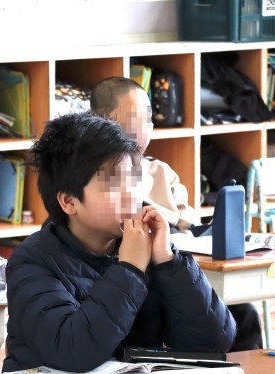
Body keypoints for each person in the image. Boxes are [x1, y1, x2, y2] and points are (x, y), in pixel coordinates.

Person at [0, 112, 236, 374]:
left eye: (133, 179)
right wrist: (130, 269)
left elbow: (214, 342)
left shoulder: (147, 246)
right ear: (69, 202)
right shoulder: (32, 261)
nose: (130, 194)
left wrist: (169, 261)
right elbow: (75, 351)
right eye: (112, 183)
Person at [91, 76, 264, 352]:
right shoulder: (92, 176)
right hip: (130, 278)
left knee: (242, 313)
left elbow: (193, 229)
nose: (144, 130)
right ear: (103, 123)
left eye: (148, 121)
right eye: (135, 120)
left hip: (173, 268)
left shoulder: (160, 172)